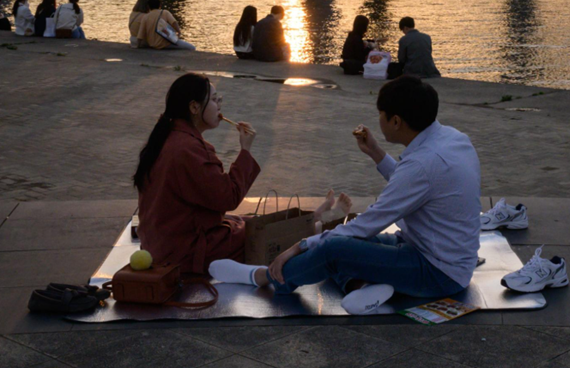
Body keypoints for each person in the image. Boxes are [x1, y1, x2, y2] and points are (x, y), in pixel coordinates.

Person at [209, 76, 481, 316]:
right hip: (426, 249)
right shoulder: (453, 139)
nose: (379, 119)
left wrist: (299, 245)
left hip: (437, 272)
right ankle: (360, 286)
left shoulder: (421, 166)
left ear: (396, 121)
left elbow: (373, 220)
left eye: (382, 114)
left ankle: (264, 276)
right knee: (341, 235)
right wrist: (376, 152)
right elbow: (416, 186)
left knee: (335, 247)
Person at [135, 74, 260, 273]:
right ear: (194, 107)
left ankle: (314, 220)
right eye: (213, 100)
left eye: (220, 99)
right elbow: (228, 197)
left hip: (159, 243)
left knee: (246, 221)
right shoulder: (188, 149)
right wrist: (245, 151)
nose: (219, 105)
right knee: (262, 234)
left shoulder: (167, 136)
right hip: (184, 253)